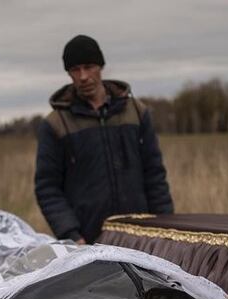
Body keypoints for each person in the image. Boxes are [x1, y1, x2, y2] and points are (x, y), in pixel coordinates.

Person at [34, 34, 174, 244]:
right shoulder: (55, 124)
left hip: (142, 236)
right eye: (75, 69)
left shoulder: (136, 112)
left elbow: (154, 174)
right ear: (69, 73)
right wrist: (72, 235)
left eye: (89, 67)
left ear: (101, 66)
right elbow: (47, 187)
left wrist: (167, 227)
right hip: (89, 243)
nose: (83, 76)